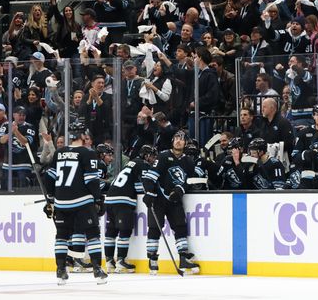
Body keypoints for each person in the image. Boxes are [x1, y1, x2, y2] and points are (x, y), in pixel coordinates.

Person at [41, 120, 108, 286]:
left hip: (62, 203)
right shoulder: (87, 153)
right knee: (92, 235)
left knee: (62, 237)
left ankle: (61, 270)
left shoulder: (59, 152)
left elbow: (48, 177)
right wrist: (98, 198)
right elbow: (91, 180)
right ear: (84, 136)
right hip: (82, 202)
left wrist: (50, 199)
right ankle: (97, 270)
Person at [142, 130, 200, 275]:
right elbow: (149, 178)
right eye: (176, 138)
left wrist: (180, 189)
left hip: (175, 199)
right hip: (158, 199)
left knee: (180, 227)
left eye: (181, 139)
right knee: (155, 228)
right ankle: (152, 259)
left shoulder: (188, 161)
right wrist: (149, 193)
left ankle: (183, 258)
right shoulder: (163, 156)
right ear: (172, 141)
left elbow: (190, 181)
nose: (178, 141)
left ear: (186, 143)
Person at [104, 144, 157, 274]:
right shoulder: (143, 165)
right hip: (123, 200)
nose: (154, 159)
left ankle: (109, 262)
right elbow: (140, 187)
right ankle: (121, 261)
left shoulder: (132, 163)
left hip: (110, 199)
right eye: (152, 156)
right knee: (124, 231)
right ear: (147, 155)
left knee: (111, 232)